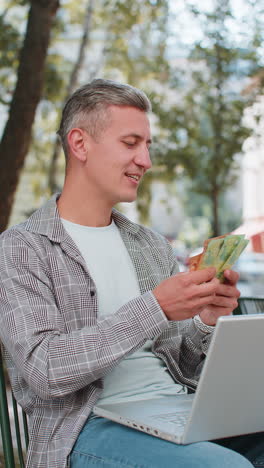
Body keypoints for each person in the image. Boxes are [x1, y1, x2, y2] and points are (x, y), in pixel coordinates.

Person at [0, 79, 262, 468]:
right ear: (80, 144)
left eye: (148, 146)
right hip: (84, 428)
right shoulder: (22, 248)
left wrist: (206, 321)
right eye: (130, 143)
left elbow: (182, 368)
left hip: (172, 410)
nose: (146, 161)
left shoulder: (149, 245)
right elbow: (46, 370)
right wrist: (155, 307)